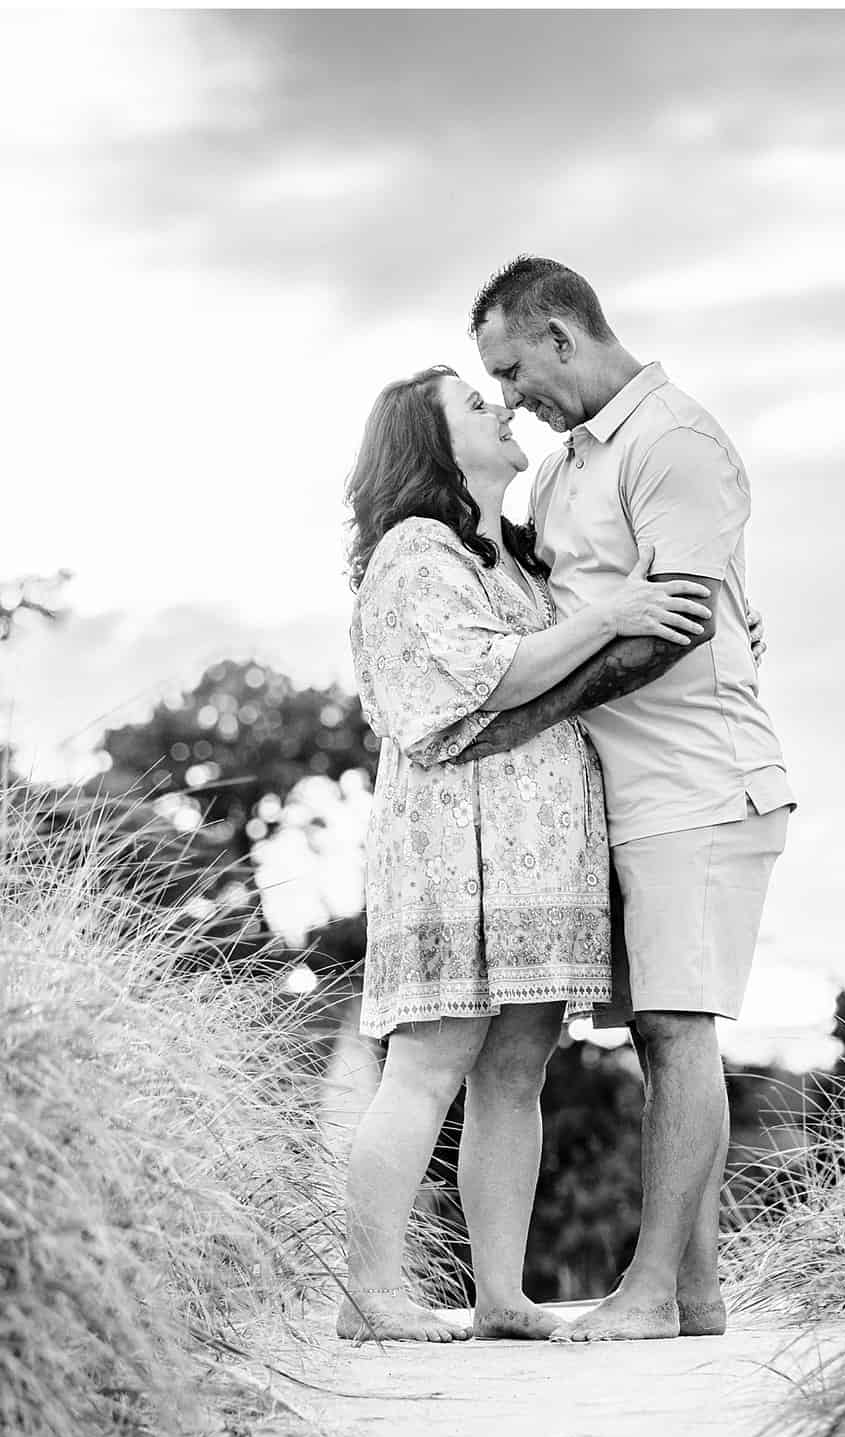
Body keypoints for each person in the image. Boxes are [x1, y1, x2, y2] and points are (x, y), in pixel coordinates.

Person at [337, 364, 714, 1343]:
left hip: (537, 851)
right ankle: (369, 1290)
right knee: (429, 1059)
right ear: (426, 446)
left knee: (516, 1065)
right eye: (473, 403)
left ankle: (500, 1292)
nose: (500, 409)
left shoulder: (503, 555)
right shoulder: (415, 548)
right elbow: (485, 676)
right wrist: (608, 616)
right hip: (460, 845)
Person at [460, 255, 796, 1344]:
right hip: (622, 794)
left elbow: (681, 620)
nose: (512, 396)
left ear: (562, 333)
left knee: (674, 1023)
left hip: (698, 779)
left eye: (513, 369)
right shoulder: (563, 472)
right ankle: (694, 1298)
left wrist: (534, 711)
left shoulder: (674, 442)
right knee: (653, 1031)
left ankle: (651, 1291)